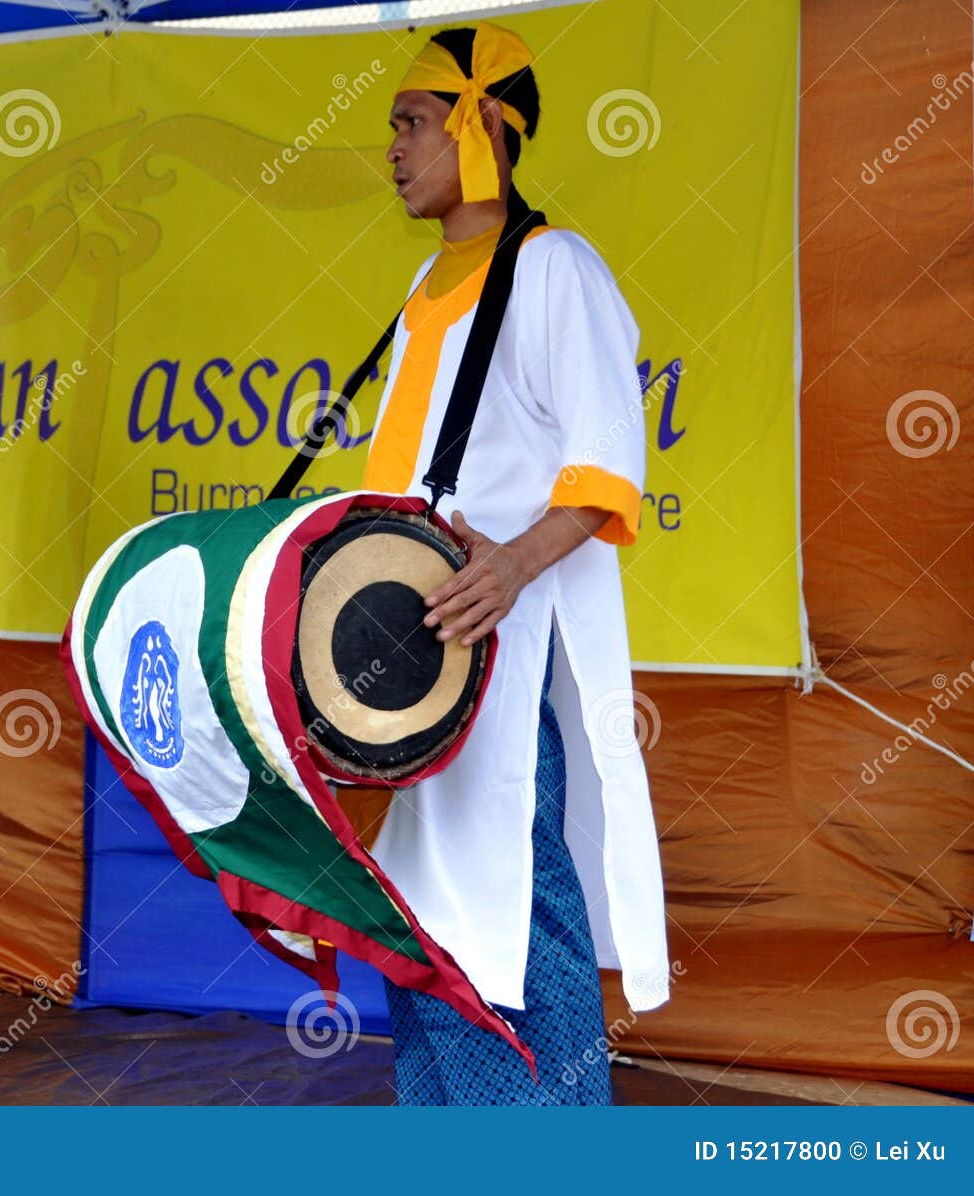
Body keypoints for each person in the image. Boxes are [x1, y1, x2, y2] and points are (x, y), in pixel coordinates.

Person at [364, 23, 669, 1104]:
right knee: (418, 901)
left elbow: (605, 463)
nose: (393, 145)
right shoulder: (426, 284)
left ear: (483, 123)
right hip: (416, 653)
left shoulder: (553, 267)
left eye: (412, 121)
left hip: (496, 645)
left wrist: (511, 567)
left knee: (508, 885)